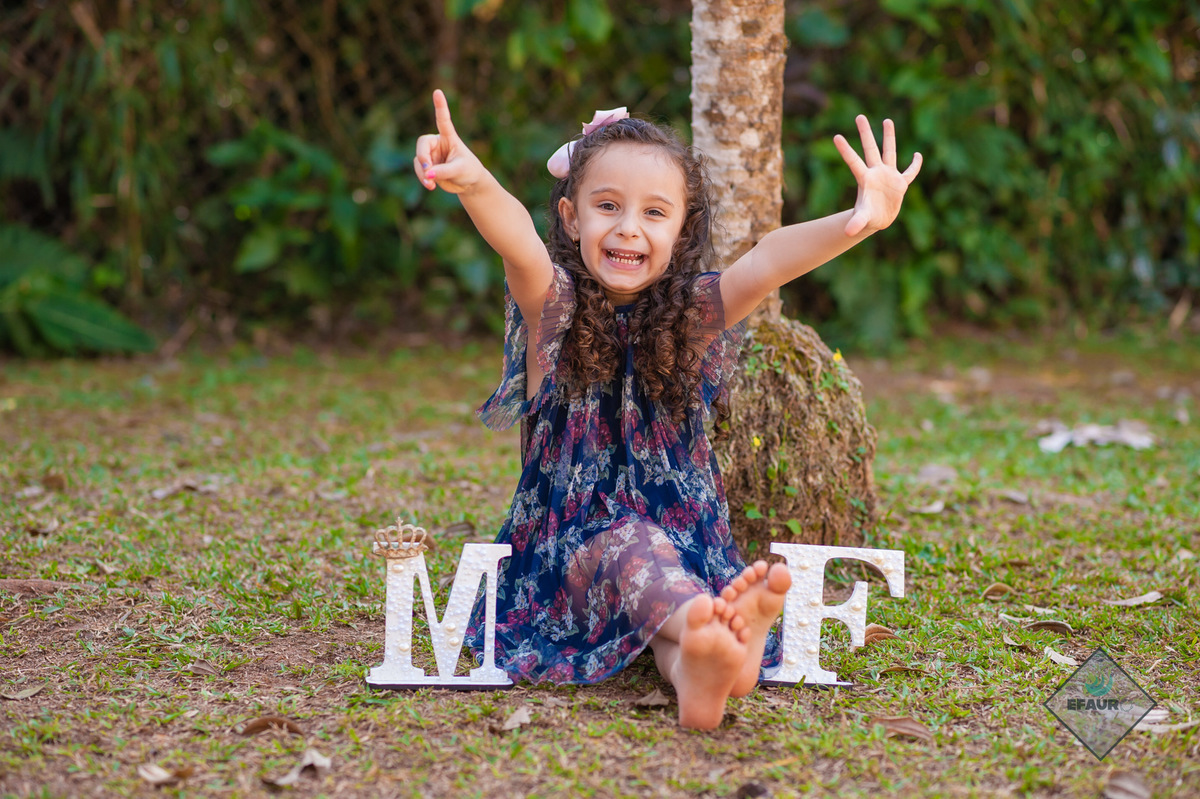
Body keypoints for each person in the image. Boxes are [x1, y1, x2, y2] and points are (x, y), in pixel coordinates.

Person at [413, 90, 921, 729]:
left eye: (654, 212)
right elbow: (518, 242)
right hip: (569, 559)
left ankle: (700, 669)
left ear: (681, 231)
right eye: (607, 206)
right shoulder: (554, 311)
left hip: (683, 550)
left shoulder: (691, 316)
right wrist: (473, 181)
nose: (629, 227)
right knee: (636, 550)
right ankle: (719, 634)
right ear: (571, 218)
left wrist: (862, 219)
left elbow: (766, 262)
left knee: (669, 598)